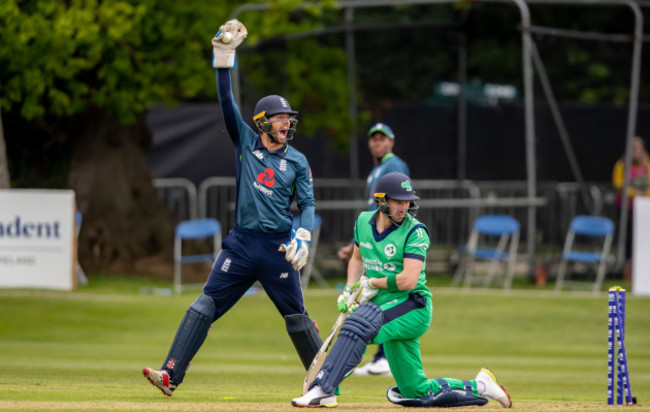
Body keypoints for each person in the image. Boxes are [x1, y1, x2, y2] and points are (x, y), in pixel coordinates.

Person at [142, 19, 323, 396]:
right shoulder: (245, 141)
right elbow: (226, 101)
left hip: (278, 249)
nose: (286, 125)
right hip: (240, 246)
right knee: (204, 306)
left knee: (296, 319)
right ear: (262, 122)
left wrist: (303, 236)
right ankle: (169, 375)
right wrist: (224, 56)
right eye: (280, 119)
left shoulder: (299, 161)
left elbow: (306, 204)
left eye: (289, 120)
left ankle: (325, 384)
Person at [292, 172, 512, 408]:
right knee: (415, 391)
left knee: (358, 324)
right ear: (382, 200)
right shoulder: (363, 222)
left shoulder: (415, 232)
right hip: (383, 306)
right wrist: (350, 289)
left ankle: (324, 389)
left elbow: (408, 280)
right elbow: (356, 258)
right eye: (398, 201)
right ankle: (481, 386)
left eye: (407, 201)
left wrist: (370, 283)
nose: (404, 207)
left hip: (412, 305)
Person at [337, 122, 410, 377]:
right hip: (376, 237)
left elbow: (399, 208)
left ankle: (382, 358)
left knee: (385, 294)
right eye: (373, 139)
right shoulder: (379, 168)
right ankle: (384, 357)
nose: (377, 143)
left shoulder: (394, 165)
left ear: (391, 141)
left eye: (382, 139)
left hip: (388, 241)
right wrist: (354, 245)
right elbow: (372, 212)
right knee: (376, 294)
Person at [612, 136, 650, 280]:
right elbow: (618, 185)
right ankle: (627, 269)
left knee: (642, 239)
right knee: (627, 239)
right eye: (633, 149)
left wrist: (644, 194)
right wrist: (634, 193)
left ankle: (643, 269)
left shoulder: (647, 165)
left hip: (644, 210)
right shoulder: (621, 165)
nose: (636, 152)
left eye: (638, 148)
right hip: (625, 208)